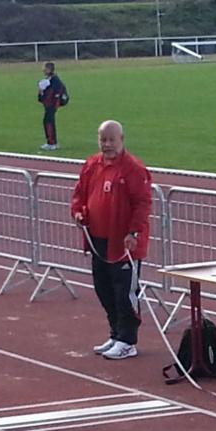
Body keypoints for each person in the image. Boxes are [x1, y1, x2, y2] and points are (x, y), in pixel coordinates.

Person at [70, 120, 152, 360]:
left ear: (121, 140)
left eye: (111, 140)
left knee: (124, 292)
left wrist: (133, 232)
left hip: (123, 244)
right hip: (98, 240)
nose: (107, 144)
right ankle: (116, 333)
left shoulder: (133, 169)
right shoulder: (91, 165)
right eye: (103, 140)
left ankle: (127, 340)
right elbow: (79, 194)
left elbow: (143, 203)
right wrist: (78, 212)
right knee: (103, 289)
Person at [37, 61, 65, 151]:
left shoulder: (54, 80)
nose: (43, 70)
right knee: (48, 121)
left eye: (44, 68)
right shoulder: (48, 80)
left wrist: (54, 103)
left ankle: (51, 143)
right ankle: (52, 142)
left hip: (52, 104)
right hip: (49, 104)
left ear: (49, 69)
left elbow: (57, 92)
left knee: (48, 121)